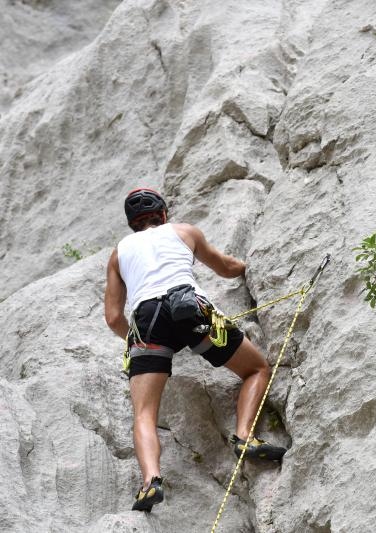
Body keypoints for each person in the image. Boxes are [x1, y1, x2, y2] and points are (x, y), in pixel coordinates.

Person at [104, 188, 286, 512]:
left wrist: (136, 342)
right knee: (256, 369)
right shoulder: (184, 231)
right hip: (192, 311)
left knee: (144, 414)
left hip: (147, 323)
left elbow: (114, 317)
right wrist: (250, 266)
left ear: (132, 224)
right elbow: (227, 267)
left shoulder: (118, 254)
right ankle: (244, 436)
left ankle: (150, 482)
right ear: (163, 214)